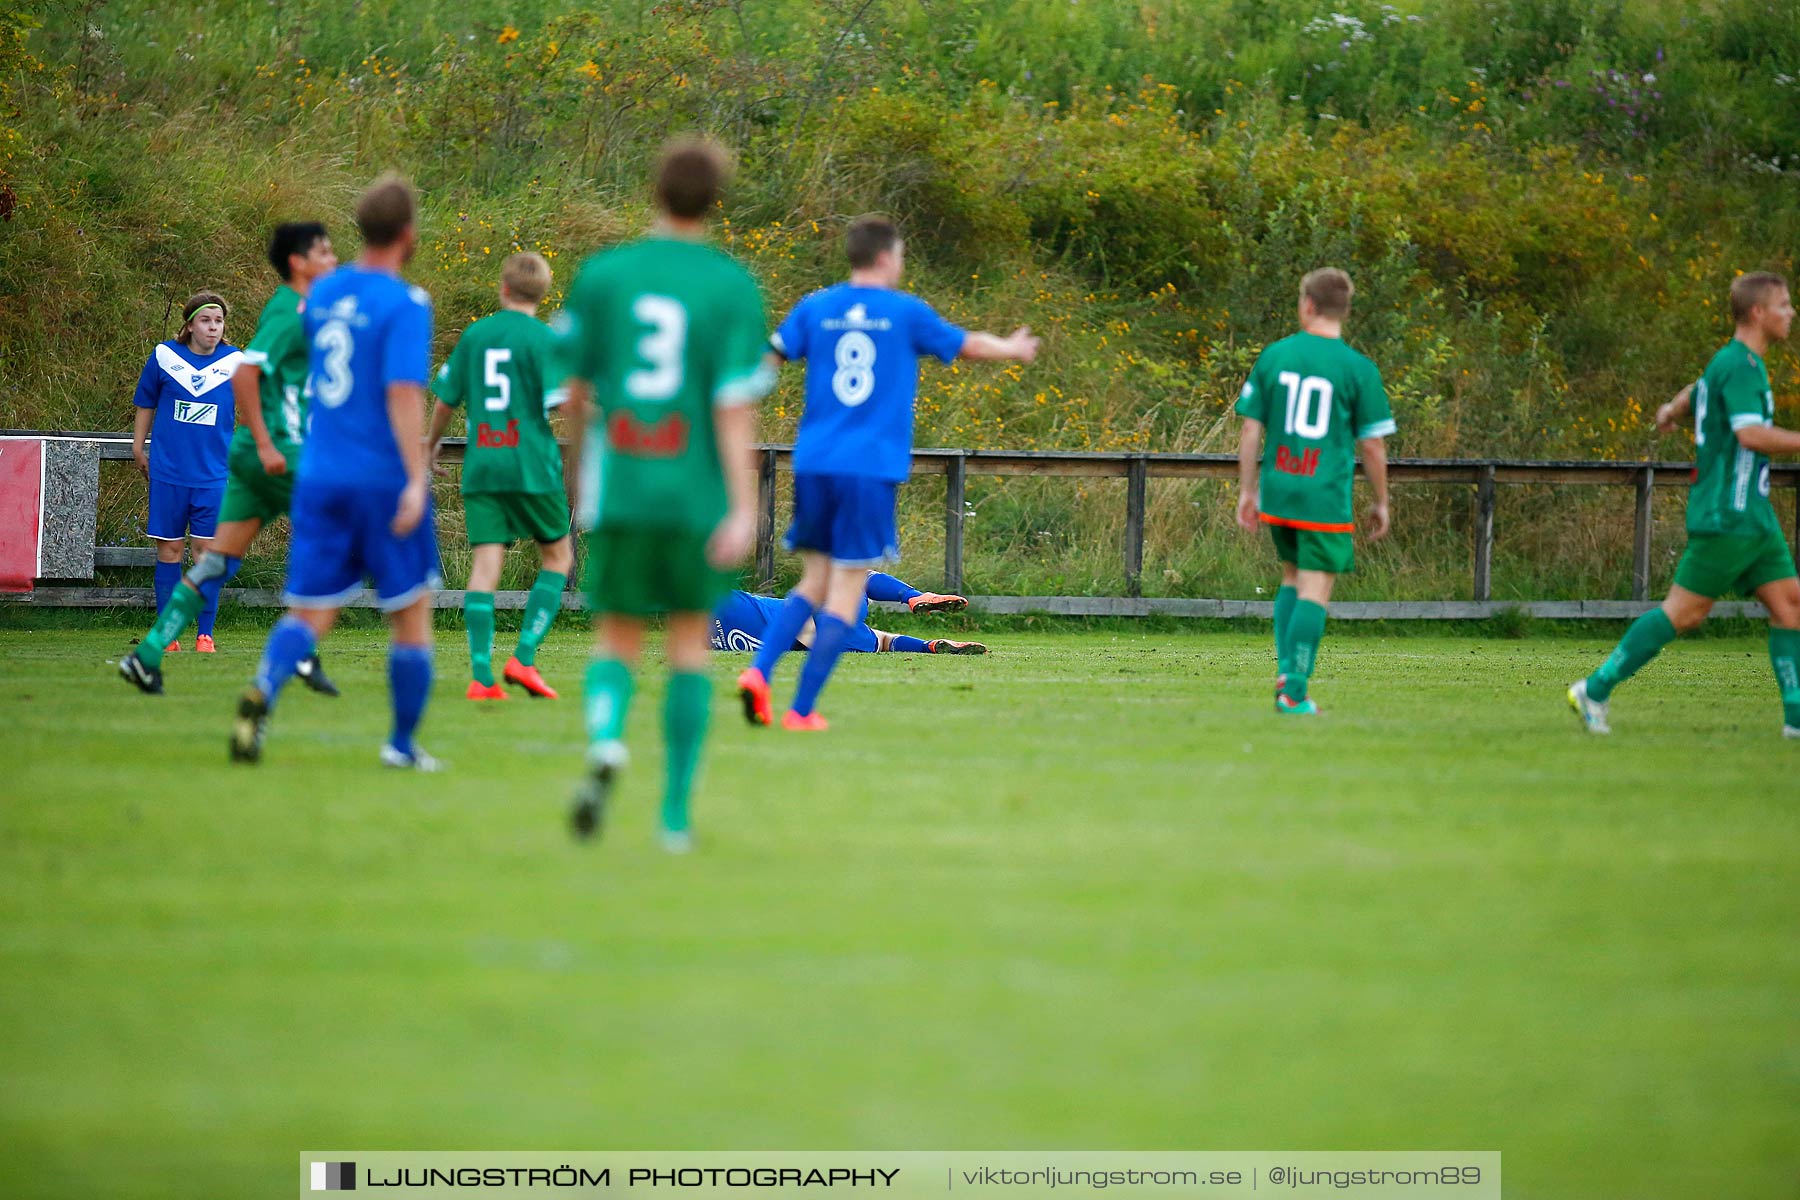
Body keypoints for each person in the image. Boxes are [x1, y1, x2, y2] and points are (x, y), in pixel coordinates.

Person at [735, 215, 1037, 731]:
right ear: (885, 258)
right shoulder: (904, 312)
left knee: (813, 580)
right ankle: (801, 710)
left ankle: (760, 672)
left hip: (814, 460)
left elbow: (769, 361)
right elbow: (967, 345)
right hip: (869, 465)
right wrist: (1010, 348)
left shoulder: (816, 306)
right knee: (848, 588)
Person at [556, 136, 773, 850]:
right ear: (716, 201)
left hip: (622, 488)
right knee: (687, 645)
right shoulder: (731, 284)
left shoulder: (604, 276)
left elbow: (576, 394)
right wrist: (744, 505)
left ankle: (608, 738)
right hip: (694, 495)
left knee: (615, 636)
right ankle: (674, 816)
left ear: (653, 191)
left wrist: (584, 479)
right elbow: (732, 406)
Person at [229, 175, 439, 769]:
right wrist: (416, 476)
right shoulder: (405, 303)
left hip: (320, 472)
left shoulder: (321, 296)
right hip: (378, 476)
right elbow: (401, 393)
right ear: (407, 234)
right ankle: (400, 745)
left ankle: (264, 689)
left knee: (311, 612)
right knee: (410, 612)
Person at [1570, 271, 1800, 736]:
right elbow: (1749, 433)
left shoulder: (1738, 364)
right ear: (1758, 312)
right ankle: (1593, 689)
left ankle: (1796, 719)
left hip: (1753, 516)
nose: (1790, 313)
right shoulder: (1737, 365)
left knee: (1791, 605)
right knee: (1685, 612)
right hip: (1727, 515)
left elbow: (1695, 394)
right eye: (1784, 305)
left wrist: (1669, 412)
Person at [119, 223, 341, 696]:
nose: (334, 259)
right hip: (279, 454)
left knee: (216, 561)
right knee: (328, 542)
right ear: (299, 262)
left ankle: (149, 653)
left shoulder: (307, 308)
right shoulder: (290, 311)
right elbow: (247, 375)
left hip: (250, 456)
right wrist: (264, 441)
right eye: (325, 252)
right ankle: (301, 651)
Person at [1234, 267, 1395, 715]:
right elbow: (1373, 444)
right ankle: (1294, 690)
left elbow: (1251, 428)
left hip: (1281, 485)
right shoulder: (1357, 369)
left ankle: (1287, 673)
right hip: (1322, 493)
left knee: (1290, 577)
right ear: (1344, 310)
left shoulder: (1275, 355)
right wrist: (1381, 499)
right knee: (1315, 590)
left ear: (1308, 304)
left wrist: (1248, 490)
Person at [427, 252, 573, 702]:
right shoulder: (544, 340)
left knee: (486, 565)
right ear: (543, 293)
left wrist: (429, 442)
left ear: (503, 288)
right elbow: (562, 400)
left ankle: (480, 676)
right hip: (530, 462)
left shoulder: (477, 335)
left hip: (484, 461)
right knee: (557, 557)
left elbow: (446, 399)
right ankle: (523, 658)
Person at [131, 291, 244, 653]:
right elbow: (146, 401)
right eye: (206, 321)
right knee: (170, 551)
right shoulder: (165, 356)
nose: (213, 328)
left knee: (206, 555)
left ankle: (204, 634)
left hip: (213, 476)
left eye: (219, 321)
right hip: (168, 472)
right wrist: (138, 445)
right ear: (190, 324)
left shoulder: (236, 362)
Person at [712, 571, 985, 655]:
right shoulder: (714, 597)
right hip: (815, 622)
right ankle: (914, 597)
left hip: (812, 639)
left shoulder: (702, 632)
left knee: (880, 643)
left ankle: (928, 646)